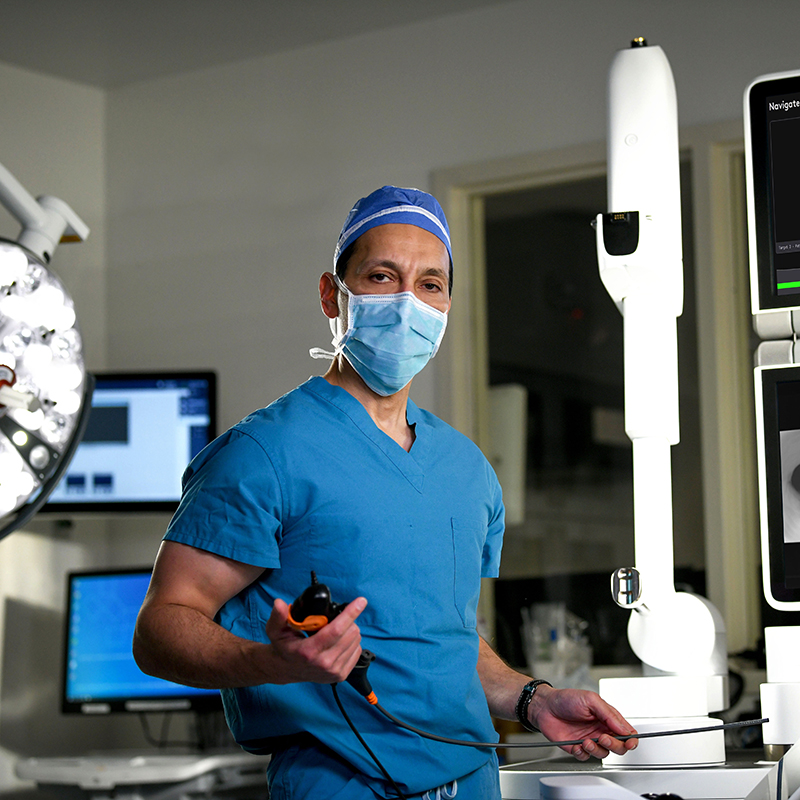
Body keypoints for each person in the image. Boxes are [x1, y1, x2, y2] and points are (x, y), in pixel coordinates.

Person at [133, 186, 638, 800]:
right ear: (332, 295)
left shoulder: (468, 470)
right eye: (381, 276)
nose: (407, 303)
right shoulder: (262, 454)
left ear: (446, 304)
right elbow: (160, 628)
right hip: (343, 784)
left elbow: (444, 640)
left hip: (474, 779)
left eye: (430, 284)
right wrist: (272, 662)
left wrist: (532, 699)